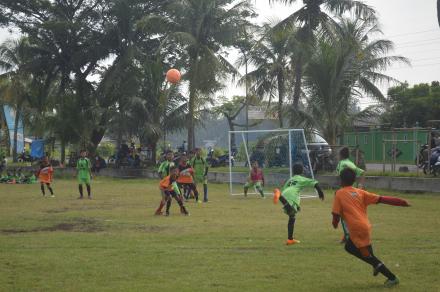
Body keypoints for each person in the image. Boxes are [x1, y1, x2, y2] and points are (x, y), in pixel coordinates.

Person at [332, 168, 410, 287]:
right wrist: (401, 202)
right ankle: (376, 265)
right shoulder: (360, 192)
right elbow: (382, 199)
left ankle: (392, 277)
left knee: (361, 253)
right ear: (354, 180)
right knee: (355, 249)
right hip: (365, 226)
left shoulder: (339, 193)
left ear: (340, 180)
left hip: (356, 229)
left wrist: (334, 223)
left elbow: (335, 214)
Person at [273, 164, 324, 245]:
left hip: (285, 194)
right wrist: (320, 192)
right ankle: (279, 195)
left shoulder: (290, 179)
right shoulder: (301, 179)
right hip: (290, 195)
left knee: (292, 217)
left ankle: (290, 239)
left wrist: (296, 206)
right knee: (291, 212)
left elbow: (285, 189)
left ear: (293, 171)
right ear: (302, 171)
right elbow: (314, 182)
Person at [336, 147, 366, 243]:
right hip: (352, 192)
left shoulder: (342, 164)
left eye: (338, 154)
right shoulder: (350, 163)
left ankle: (348, 236)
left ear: (341, 155)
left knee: (343, 214)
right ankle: (349, 235)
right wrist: (360, 186)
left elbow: (341, 178)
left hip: (345, 193)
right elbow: (362, 173)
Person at [155, 150, 175, 215]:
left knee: (170, 197)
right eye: (169, 155)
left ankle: (159, 211)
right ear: (166, 156)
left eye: (171, 155)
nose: (170, 156)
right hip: (165, 184)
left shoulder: (173, 163)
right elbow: (159, 172)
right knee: (167, 198)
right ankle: (162, 211)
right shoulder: (164, 163)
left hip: (171, 183)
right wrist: (163, 180)